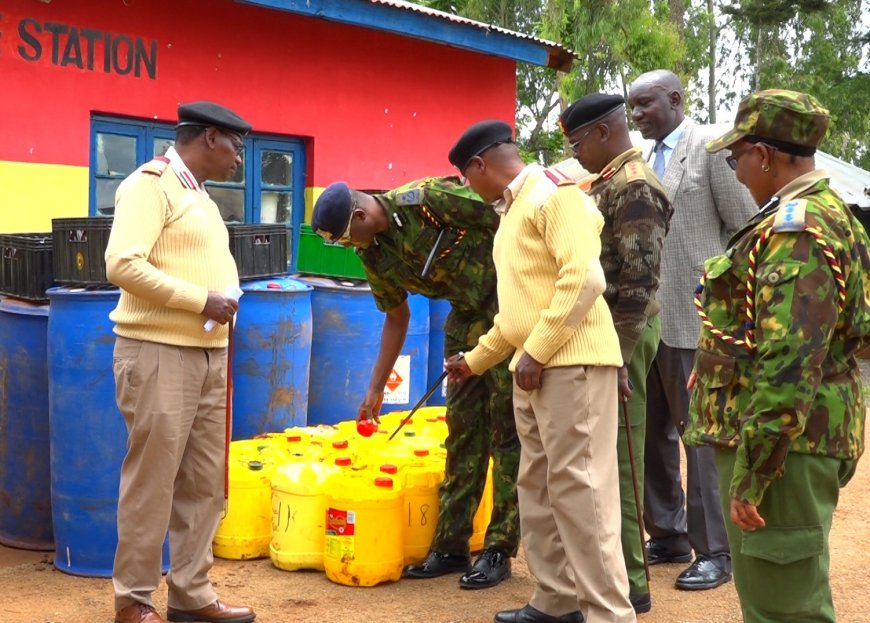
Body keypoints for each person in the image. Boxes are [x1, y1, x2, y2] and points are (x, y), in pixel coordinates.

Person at [687, 89, 870, 622]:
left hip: (785, 449)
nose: (736, 170)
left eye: (736, 156)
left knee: (784, 609)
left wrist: (755, 471)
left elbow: (788, 364)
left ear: (763, 155)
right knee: (783, 597)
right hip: (799, 440)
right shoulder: (828, 216)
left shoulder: (798, 232)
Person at [445, 120, 635, 623]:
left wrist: (537, 350)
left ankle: (609, 613)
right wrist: (474, 361)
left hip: (572, 364)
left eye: (467, 177)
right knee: (539, 488)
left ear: (481, 165)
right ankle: (557, 600)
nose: (469, 188)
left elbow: (586, 278)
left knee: (583, 492)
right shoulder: (511, 214)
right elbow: (514, 317)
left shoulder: (554, 195)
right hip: (535, 370)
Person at [310, 175, 520, 589]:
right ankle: (451, 544)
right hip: (464, 319)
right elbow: (396, 316)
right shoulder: (374, 253)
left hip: (509, 311)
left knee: (507, 431)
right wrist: (375, 388)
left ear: (360, 214)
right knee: (461, 431)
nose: (349, 247)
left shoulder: (430, 200)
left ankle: (498, 546)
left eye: (345, 238)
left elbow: (509, 216)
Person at [106, 101, 256, 623]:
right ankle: (134, 600)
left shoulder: (202, 198)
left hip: (209, 354)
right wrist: (201, 300)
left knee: (203, 482)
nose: (240, 155)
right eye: (236, 144)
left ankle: (192, 592)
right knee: (153, 479)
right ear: (210, 137)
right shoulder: (152, 184)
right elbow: (122, 263)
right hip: (158, 352)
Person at [627, 69, 757, 591]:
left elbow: (748, 228)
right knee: (653, 434)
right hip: (648, 325)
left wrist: (732, 317)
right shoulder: (640, 161)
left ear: (676, 99)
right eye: (631, 107)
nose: (636, 117)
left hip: (696, 322)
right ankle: (668, 534)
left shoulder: (709, 149)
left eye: (645, 106)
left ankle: (716, 550)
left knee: (700, 438)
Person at [559, 93, 672, 614]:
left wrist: (619, 359)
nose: (577, 153)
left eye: (578, 142)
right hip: (609, 335)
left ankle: (631, 582)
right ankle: (615, 573)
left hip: (623, 337)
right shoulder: (607, 183)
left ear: (604, 133)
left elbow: (637, 285)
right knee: (604, 457)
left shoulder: (634, 188)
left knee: (620, 461)